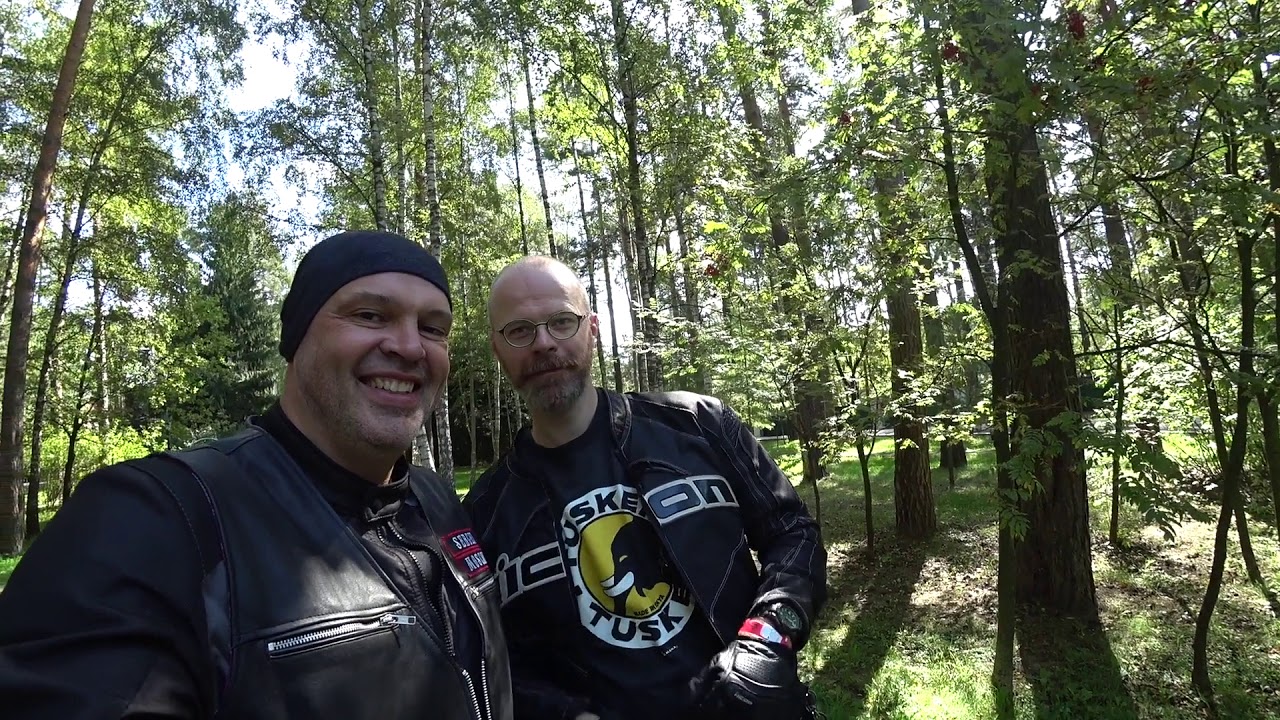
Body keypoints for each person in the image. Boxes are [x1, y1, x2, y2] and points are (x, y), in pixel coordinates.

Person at [0, 230, 512, 720]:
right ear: (297, 337)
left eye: (433, 328)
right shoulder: (156, 518)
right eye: (370, 315)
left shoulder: (436, 501)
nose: (410, 347)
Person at [463, 256, 826, 720]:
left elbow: (793, 532)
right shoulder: (485, 512)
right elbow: (491, 657)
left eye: (561, 322)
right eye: (519, 331)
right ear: (498, 349)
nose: (544, 343)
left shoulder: (700, 426)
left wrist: (769, 636)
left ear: (592, 329)